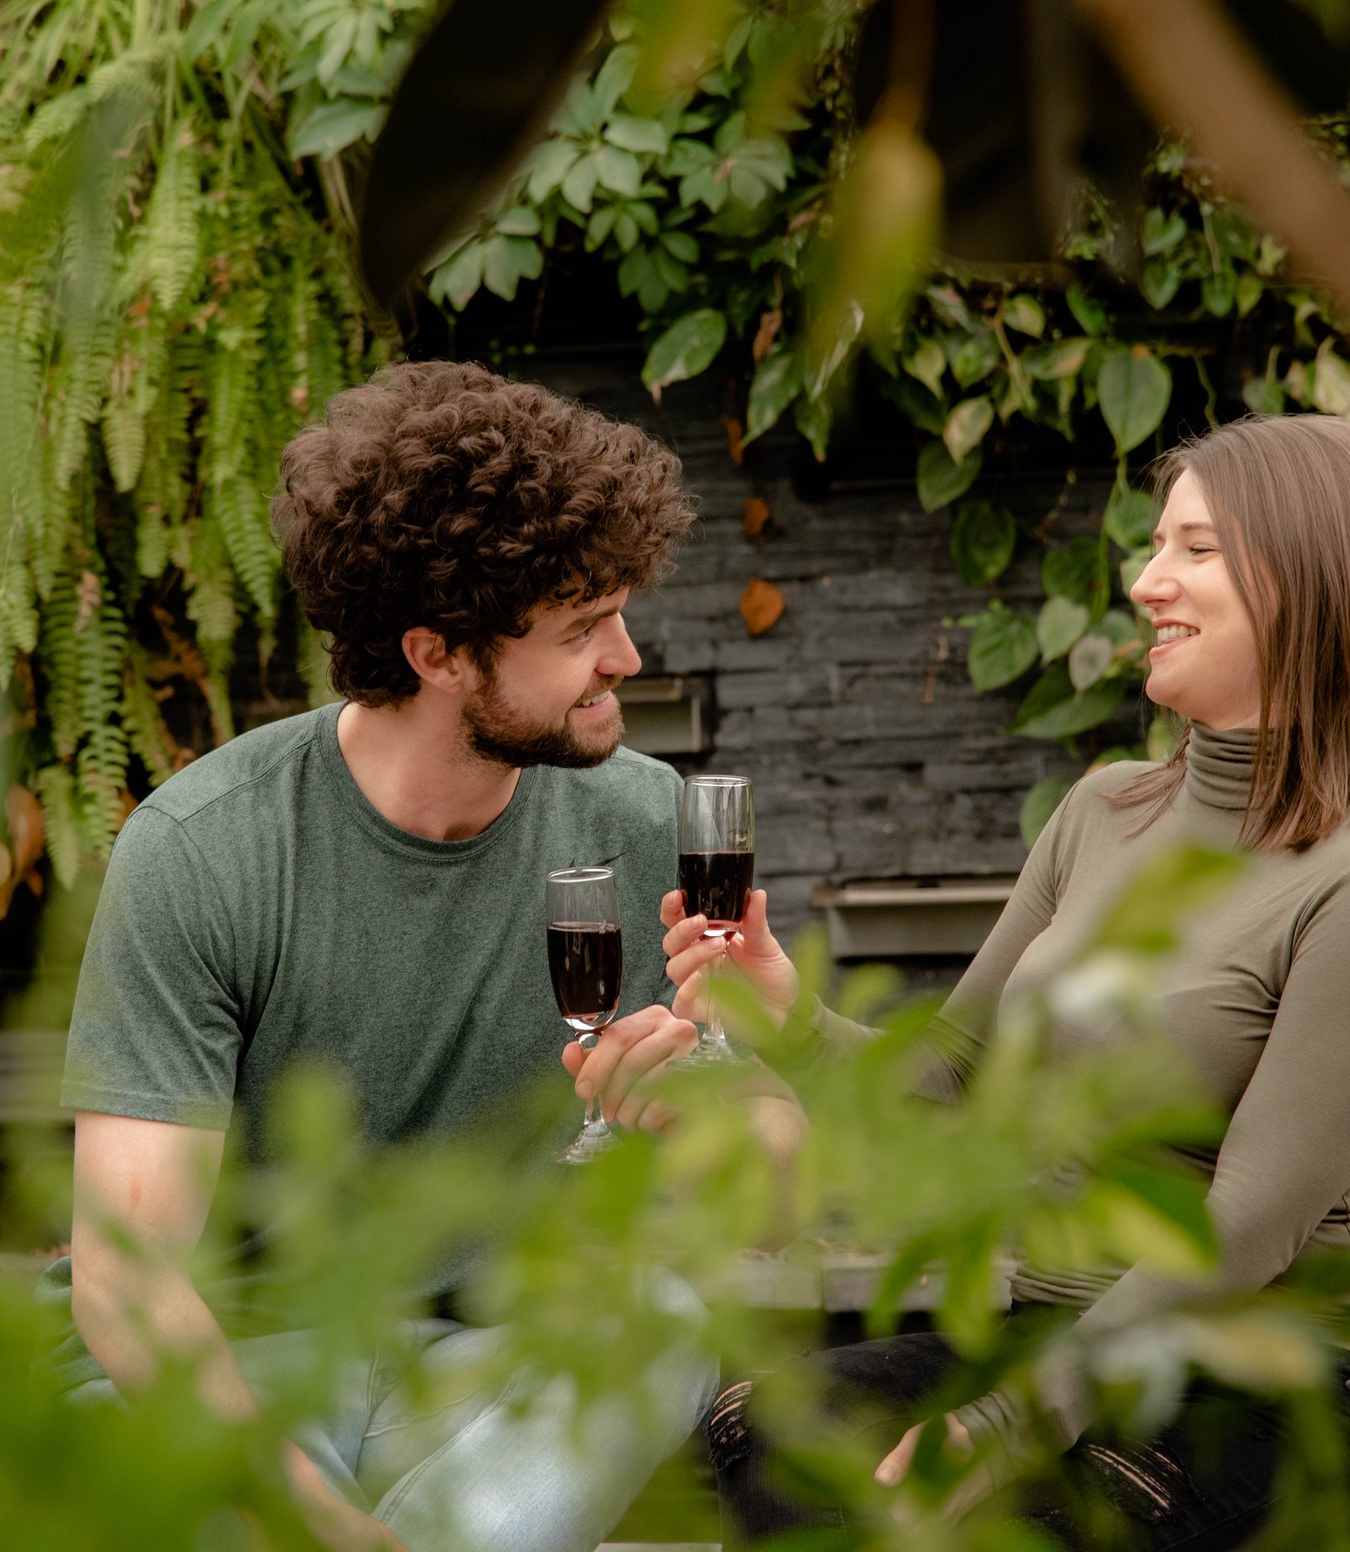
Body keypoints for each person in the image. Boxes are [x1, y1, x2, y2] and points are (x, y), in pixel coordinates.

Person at [681, 413, 1350, 1548]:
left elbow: (1239, 1237)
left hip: (1252, 1391)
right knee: (769, 1421)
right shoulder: (1105, 810)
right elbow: (955, 1077)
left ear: (1316, 580)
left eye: (1194, 549)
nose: (1143, 579)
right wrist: (790, 1016)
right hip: (1042, 1336)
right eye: (1155, 545)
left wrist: (1009, 1425)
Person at [42, 360, 804, 1552]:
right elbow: (129, 1287)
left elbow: (767, 1197)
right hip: (238, 1378)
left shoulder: (650, 826)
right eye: (582, 627)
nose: (628, 658)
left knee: (659, 1319)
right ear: (438, 652)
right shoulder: (208, 850)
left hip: (495, 1382)